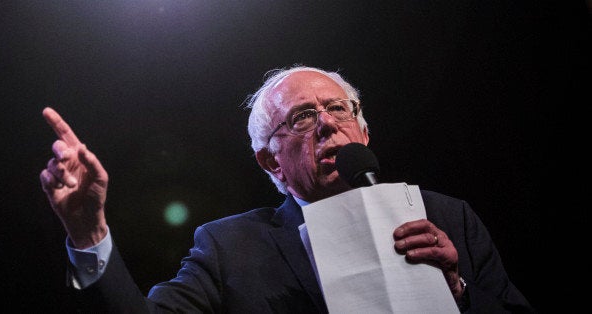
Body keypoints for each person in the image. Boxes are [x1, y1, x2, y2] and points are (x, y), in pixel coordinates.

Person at [40, 65, 535, 313]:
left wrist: (458, 292)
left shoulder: (452, 219)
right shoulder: (230, 249)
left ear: (364, 132)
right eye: (301, 117)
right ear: (270, 161)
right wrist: (89, 233)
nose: (326, 124)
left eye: (339, 109)